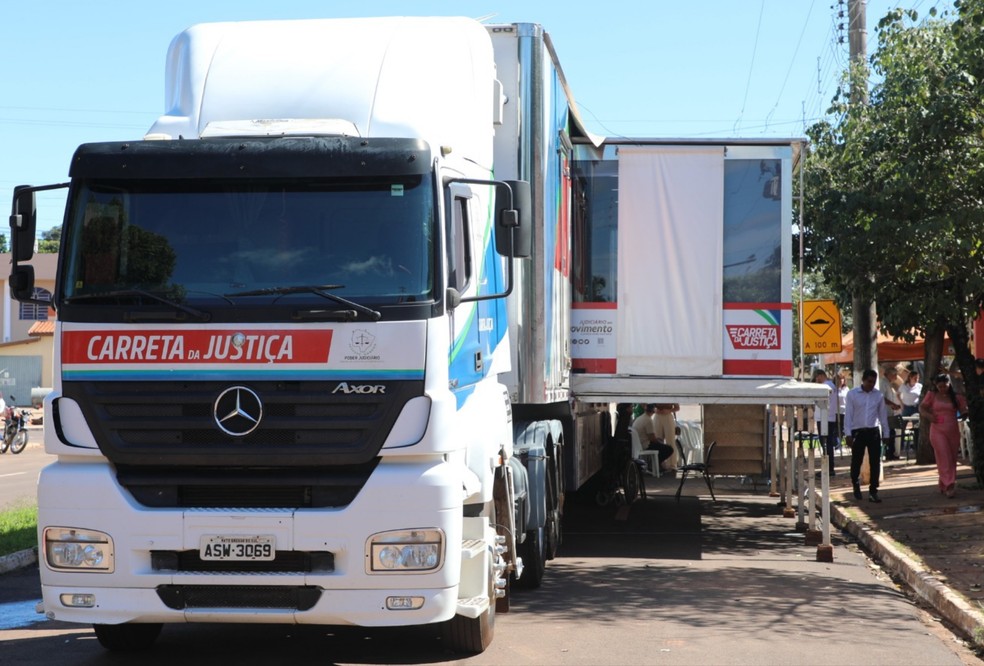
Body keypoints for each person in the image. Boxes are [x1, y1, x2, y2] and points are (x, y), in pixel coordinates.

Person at [919, 373, 968, 498]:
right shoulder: (932, 395)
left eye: (944, 386)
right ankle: (949, 484)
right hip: (937, 430)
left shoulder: (956, 397)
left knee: (951, 458)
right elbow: (922, 408)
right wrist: (929, 416)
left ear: (949, 384)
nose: (942, 389)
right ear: (936, 386)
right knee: (943, 456)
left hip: (952, 429)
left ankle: (943, 483)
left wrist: (965, 412)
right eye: (939, 387)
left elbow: (963, 410)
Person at [844, 368, 890, 503]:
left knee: (875, 462)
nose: (871, 384)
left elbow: (882, 416)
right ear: (863, 380)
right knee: (856, 461)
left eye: (873, 382)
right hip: (858, 432)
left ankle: (873, 491)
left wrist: (886, 433)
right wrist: (848, 434)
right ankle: (855, 483)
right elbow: (848, 415)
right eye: (869, 381)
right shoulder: (852, 394)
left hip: (873, 431)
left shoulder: (878, 395)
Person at [813, 369, 839, 476]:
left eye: (816, 377)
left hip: (824, 418)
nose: (816, 380)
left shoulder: (825, 386)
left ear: (820, 375)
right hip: (828, 417)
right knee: (827, 443)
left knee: (825, 444)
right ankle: (829, 468)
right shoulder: (831, 385)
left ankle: (828, 468)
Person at [631, 404, 674, 470]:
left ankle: (656, 464)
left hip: (638, 444)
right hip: (645, 445)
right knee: (669, 449)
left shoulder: (640, 418)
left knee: (661, 444)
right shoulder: (648, 420)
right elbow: (652, 438)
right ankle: (655, 464)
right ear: (653, 411)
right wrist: (659, 442)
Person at [880, 365, 903, 460]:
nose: (896, 377)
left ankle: (891, 453)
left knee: (891, 433)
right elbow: (882, 398)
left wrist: (893, 405)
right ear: (888, 374)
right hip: (885, 413)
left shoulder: (888, 383)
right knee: (889, 433)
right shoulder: (883, 383)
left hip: (889, 412)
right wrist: (892, 404)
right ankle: (889, 453)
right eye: (894, 375)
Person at [653, 403, 681, 470]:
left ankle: (672, 464)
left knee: (670, 440)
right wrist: (655, 410)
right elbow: (647, 405)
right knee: (657, 441)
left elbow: (677, 407)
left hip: (668, 416)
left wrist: (669, 410)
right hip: (657, 416)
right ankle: (659, 463)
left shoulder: (671, 397)